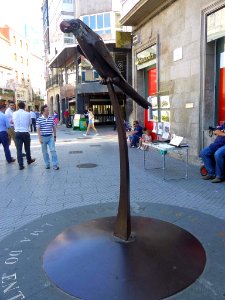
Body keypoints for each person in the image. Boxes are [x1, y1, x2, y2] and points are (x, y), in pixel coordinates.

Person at [13, 102, 35, 170]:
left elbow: (13, 122)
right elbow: (30, 123)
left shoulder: (14, 113)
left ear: (18, 106)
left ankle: (21, 165)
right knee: (27, 148)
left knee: (19, 150)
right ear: (24, 106)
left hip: (17, 132)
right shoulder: (27, 114)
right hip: (25, 132)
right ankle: (29, 160)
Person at [36, 105, 59, 170]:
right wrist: (39, 138)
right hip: (43, 137)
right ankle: (47, 164)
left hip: (50, 137)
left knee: (53, 150)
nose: (48, 111)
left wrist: (54, 136)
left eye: (48, 110)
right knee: (44, 152)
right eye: (47, 110)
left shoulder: (51, 118)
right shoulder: (39, 119)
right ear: (43, 111)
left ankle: (55, 164)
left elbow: (54, 127)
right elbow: (38, 129)